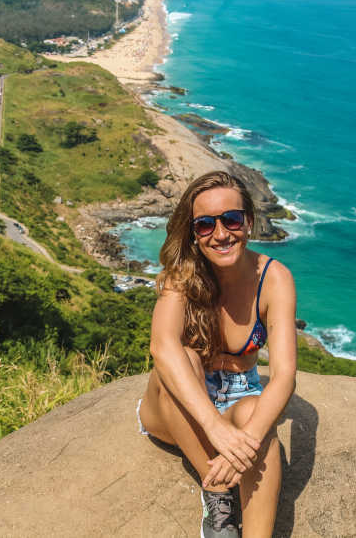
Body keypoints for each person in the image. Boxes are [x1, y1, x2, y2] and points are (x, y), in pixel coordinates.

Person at [136, 171, 297, 538]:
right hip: (179, 406)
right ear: (193, 232)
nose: (221, 233)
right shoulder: (182, 276)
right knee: (183, 359)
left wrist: (245, 443)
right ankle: (218, 494)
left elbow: (285, 374)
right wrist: (216, 430)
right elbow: (162, 345)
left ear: (249, 222)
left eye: (232, 219)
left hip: (241, 393)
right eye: (205, 224)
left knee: (259, 420)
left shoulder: (274, 279)